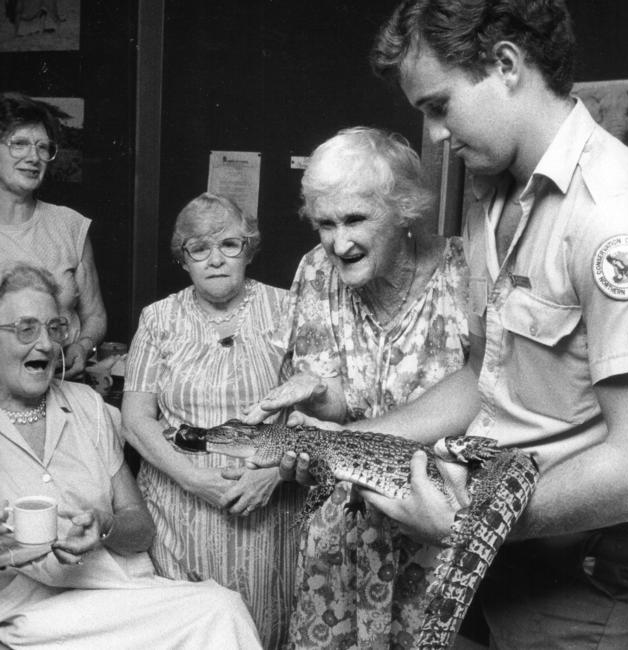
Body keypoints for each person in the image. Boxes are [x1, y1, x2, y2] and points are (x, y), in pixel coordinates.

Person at [271, 1, 628, 648]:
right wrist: (347, 447)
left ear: (507, 65)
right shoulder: (493, 195)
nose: (437, 132)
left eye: (440, 105)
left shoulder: (613, 213)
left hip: (570, 579)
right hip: (484, 562)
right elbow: (482, 378)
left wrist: (472, 521)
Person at [245, 126, 469, 648]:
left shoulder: (465, 271)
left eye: (355, 219)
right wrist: (315, 391)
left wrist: (344, 436)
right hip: (344, 528)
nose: (338, 243)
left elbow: (486, 396)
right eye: (325, 223)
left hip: (434, 528)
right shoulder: (317, 271)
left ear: (405, 208)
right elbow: (339, 404)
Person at [0, 263, 262, 649]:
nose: (44, 344)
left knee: (221, 608)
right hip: (32, 614)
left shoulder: (88, 406)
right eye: (26, 329)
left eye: (53, 329)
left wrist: (105, 527)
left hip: (122, 592)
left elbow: (141, 530)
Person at [121, 192, 306, 650]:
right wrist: (193, 479)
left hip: (269, 508)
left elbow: (313, 410)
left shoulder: (289, 309)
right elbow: (136, 419)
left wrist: (273, 471)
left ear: (250, 247)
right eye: (198, 248)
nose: (216, 259)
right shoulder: (159, 319)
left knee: (264, 628)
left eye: (229, 244)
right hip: (178, 511)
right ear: (182, 259)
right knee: (187, 631)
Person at [0, 92, 106, 378]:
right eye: (19, 144)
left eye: (43, 147)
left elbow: (95, 314)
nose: (34, 157)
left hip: (64, 383)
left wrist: (82, 347)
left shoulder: (69, 225)